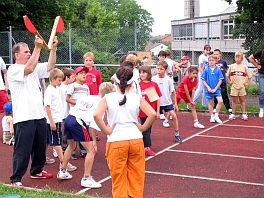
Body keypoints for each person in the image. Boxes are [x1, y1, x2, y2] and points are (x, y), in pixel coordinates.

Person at [94, 66, 156, 198]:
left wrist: (107, 130)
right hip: (136, 140)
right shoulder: (137, 97)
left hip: (116, 140)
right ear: (132, 82)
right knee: (137, 177)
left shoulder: (108, 98)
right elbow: (152, 114)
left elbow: (96, 115)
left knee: (118, 178)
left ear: (115, 81)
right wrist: (143, 128)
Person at [7, 36, 58, 187]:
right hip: (24, 117)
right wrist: (37, 48)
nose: (29, 54)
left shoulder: (34, 67)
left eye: (30, 51)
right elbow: (28, 69)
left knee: (40, 146)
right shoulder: (14, 69)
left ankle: (37, 170)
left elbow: (50, 66)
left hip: (39, 115)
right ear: (17, 55)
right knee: (22, 149)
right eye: (26, 51)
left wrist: (53, 48)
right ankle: (16, 178)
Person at [57, 82, 116, 188]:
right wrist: (94, 141)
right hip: (79, 122)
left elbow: (78, 104)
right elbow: (94, 124)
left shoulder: (90, 97)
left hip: (70, 118)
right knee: (91, 150)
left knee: (71, 146)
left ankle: (63, 171)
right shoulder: (102, 103)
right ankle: (86, 178)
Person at [44, 68, 77, 171]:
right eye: (59, 80)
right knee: (57, 142)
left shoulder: (56, 89)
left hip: (57, 119)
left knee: (49, 140)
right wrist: (52, 121)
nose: (60, 82)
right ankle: (63, 162)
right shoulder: (49, 91)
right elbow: (47, 106)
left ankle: (43, 158)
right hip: (54, 120)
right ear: (53, 79)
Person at [152, 60, 182, 143]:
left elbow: (173, 92)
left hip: (167, 102)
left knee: (174, 116)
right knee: (150, 118)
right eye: (157, 69)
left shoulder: (168, 80)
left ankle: (177, 134)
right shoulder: (153, 79)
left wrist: (175, 103)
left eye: (161, 69)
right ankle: (146, 134)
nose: (158, 70)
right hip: (156, 103)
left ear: (165, 70)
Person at [66, 66, 90, 159]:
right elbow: (67, 98)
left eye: (85, 73)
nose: (84, 74)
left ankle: (83, 150)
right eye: (81, 73)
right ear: (76, 76)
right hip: (75, 114)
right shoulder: (72, 86)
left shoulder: (86, 87)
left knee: (84, 130)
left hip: (83, 114)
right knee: (73, 133)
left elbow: (88, 99)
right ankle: (73, 150)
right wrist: (78, 103)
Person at [139, 66, 162, 156]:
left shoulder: (153, 85)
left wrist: (158, 111)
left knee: (148, 129)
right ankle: (146, 147)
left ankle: (143, 145)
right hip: (142, 111)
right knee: (145, 130)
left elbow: (157, 99)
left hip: (151, 111)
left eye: (144, 72)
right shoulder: (138, 85)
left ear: (148, 73)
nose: (142, 74)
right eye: (140, 72)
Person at [227, 51, 252, 121]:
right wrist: (229, 82)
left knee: (242, 100)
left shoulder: (244, 67)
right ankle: (233, 113)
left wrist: (247, 82)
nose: (237, 59)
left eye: (239, 57)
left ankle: (244, 113)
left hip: (241, 87)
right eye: (236, 57)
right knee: (234, 101)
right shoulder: (232, 66)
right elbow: (227, 75)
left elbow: (250, 76)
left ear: (241, 58)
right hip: (234, 86)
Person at [83, 52, 102, 141]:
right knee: (85, 114)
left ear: (93, 62)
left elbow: (99, 84)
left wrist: (100, 95)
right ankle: (86, 132)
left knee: (94, 114)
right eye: (86, 60)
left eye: (90, 60)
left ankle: (94, 132)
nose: (88, 62)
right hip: (84, 96)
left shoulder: (97, 72)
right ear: (84, 61)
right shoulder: (81, 72)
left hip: (94, 96)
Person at [201, 55, 224, 123]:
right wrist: (208, 87)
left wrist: (215, 88)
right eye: (210, 60)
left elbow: (220, 80)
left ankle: (216, 115)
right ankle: (211, 116)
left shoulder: (218, 70)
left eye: (212, 60)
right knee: (210, 103)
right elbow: (203, 80)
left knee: (220, 101)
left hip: (216, 89)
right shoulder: (206, 70)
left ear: (216, 61)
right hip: (209, 89)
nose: (211, 62)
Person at [58, 68, 75, 152]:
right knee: (62, 132)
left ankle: (67, 147)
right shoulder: (60, 87)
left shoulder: (70, 87)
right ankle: (60, 148)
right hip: (62, 113)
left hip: (68, 113)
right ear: (67, 77)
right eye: (72, 77)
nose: (74, 78)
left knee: (67, 132)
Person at [213, 49, 232, 113]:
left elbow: (226, 68)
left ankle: (228, 107)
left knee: (224, 94)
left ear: (220, 54)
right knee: (216, 95)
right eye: (214, 54)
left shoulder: (223, 62)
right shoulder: (213, 62)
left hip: (222, 81)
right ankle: (215, 107)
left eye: (217, 54)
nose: (216, 55)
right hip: (215, 81)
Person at [249, 49, 264, 118]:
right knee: (262, 91)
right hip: (262, 74)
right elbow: (250, 58)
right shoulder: (261, 52)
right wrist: (257, 65)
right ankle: (261, 109)